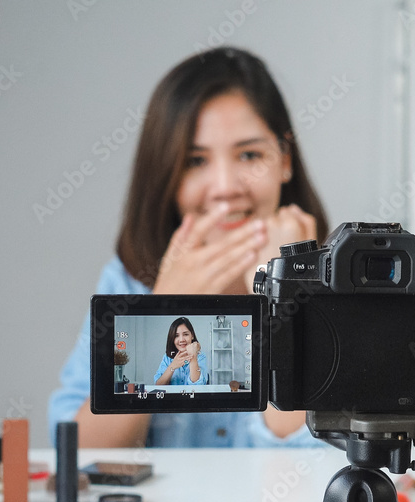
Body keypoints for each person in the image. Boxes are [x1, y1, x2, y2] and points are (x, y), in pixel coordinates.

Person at [48, 47, 329, 448]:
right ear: (167, 174)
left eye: (249, 155)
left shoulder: (335, 280)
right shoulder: (131, 281)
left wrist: (284, 300)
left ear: (284, 159)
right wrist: (160, 308)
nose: (225, 187)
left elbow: (319, 459)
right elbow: (79, 452)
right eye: (196, 161)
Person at [154, 317, 208, 386]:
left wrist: (193, 356)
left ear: (192, 335)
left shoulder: (201, 356)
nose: (181, 340)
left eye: (185, 334)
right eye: (176, 336)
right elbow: (158, 385)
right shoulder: (167, 358)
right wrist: (173, 366)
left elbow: (198, 385)